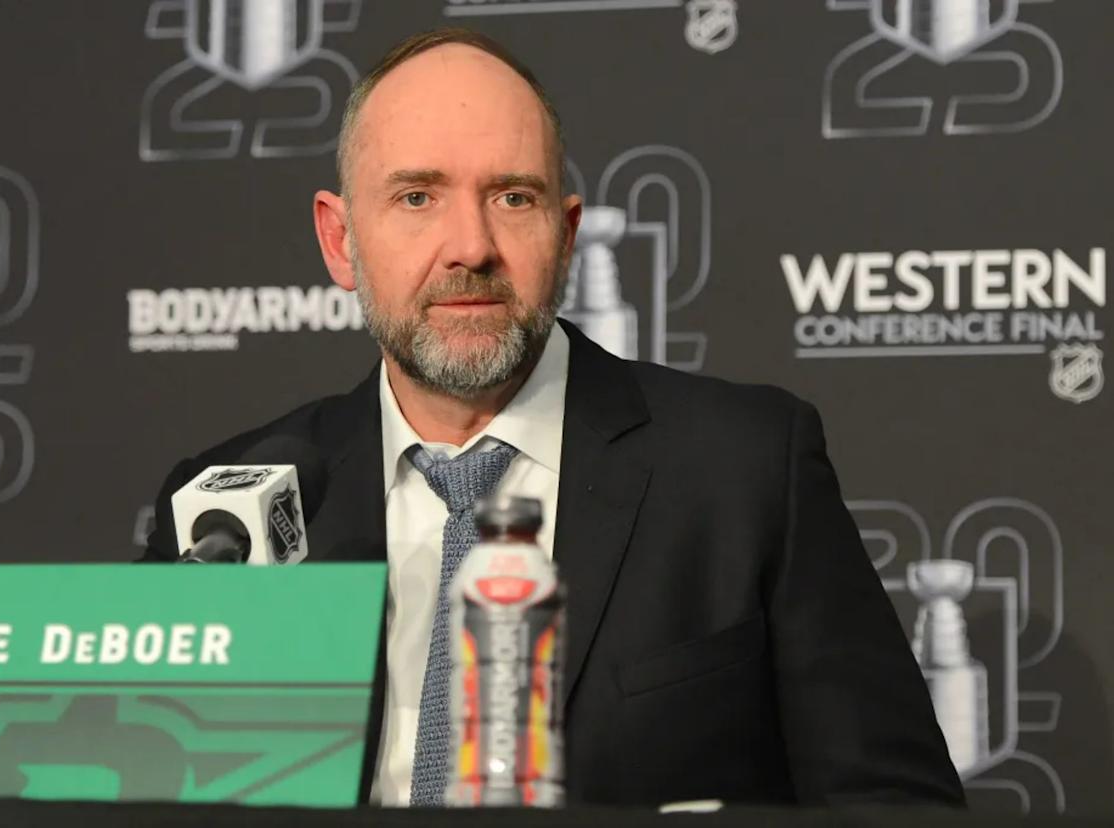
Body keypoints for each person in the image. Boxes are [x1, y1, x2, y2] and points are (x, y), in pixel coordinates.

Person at [142, 28, 964, 808]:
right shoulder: (226, 514)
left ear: (565, 234)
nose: (470, 245)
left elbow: (892, 804)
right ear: (340, 239)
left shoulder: (744, 471)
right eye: (418, 196)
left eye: (511, 195)